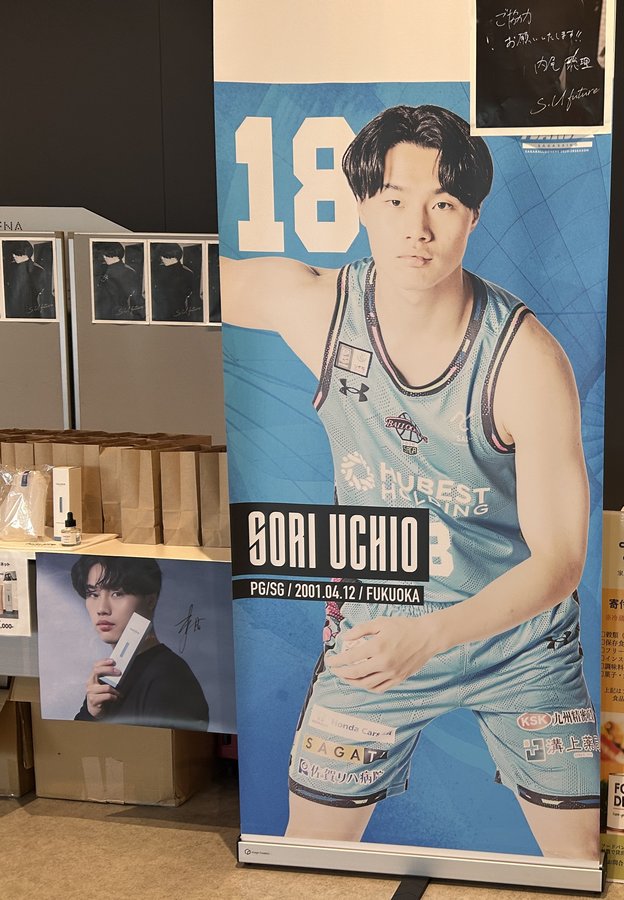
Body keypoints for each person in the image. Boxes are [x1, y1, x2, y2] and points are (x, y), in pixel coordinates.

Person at [221, 103, 597, 858]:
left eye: (443, 204)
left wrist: (430, 636)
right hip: (376, 634)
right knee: (310, 857)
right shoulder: (319, 309)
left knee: (578, 860)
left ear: (473, 217)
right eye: (394, 201)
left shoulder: (526, 360)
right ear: (362, 206)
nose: (416, 228)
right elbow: (167, 280)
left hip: (518, 643)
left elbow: (560, 562)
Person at [71, 556, 208, 729]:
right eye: (93, 594)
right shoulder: (108, 676)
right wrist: (94, 714)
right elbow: (75, 743)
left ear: (150, 600)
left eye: (117, 593)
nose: (101, 609)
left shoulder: (170, 678)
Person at [94, 242, 145, 320]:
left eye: (105, 254)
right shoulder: (130, 271)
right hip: (112, 312)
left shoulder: (126, 271)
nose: (104, 257)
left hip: (111, 313)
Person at [152, 242, 199, 321]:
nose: (162, 258)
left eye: (165, 256)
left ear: (175, 256)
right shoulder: (157, 271)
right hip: (160, 315)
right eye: (161, 256)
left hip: (178, 315)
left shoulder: (187, 273)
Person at [4, 239, 52, 318]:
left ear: (25, 255)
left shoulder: (37, 269)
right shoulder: (9, 267)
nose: (13, 256)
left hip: (27, 308)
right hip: (12, 308)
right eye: (12, 254)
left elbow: (41, 290)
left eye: (17, 254)